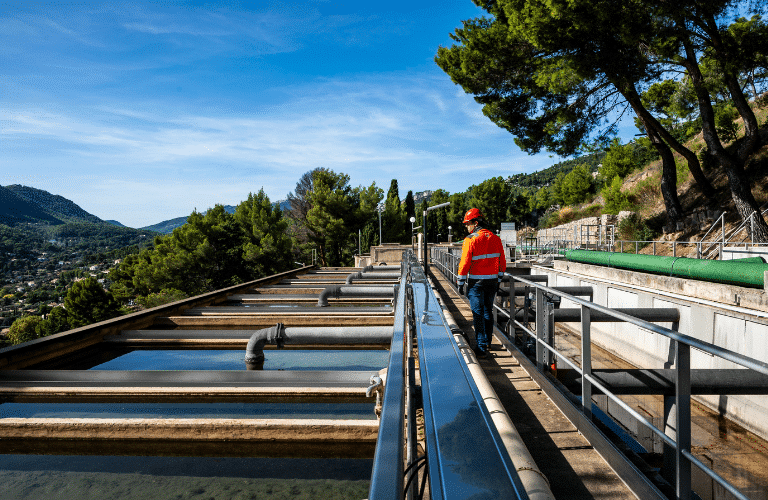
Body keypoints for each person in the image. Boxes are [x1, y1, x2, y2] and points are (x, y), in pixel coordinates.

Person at [456, 208, 506, 359]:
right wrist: (498, 279)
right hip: (492, 282)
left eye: (468, 224)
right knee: (487, 311)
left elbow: (464, 263)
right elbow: (502, 262)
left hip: (476, 282)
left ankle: (481, 347)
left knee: (477, 314)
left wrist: (460, 282)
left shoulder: (470, 240)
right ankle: (488, 341)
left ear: (475, 223)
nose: (466, 227)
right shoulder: (495, 238)